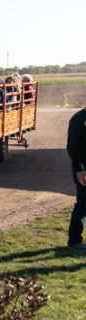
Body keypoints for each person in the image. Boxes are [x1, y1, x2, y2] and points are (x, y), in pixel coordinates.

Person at [67, 106, 86, 252]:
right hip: (84, 170)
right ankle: (74, 241)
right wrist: (79, 169)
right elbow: (72, 147)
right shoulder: (78, 119)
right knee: (83, 204)